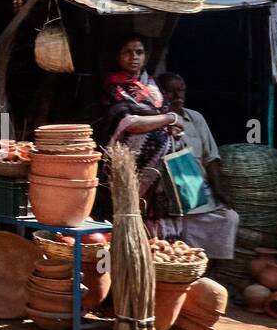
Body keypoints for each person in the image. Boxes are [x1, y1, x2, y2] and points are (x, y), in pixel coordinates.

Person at [95, 35, 184, 238]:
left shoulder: (152, 86)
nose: (133, 57)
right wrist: (169, 119)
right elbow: (128, 123)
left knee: (149, 224)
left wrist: (173, 127)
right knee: (124, 215)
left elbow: (174, 122)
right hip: (127, 165)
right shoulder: (112, 86)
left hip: (159, 170)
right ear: (117, 56)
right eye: (127, 52)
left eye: (139, 52)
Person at [156, 72, 240, 259]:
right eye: (171, 92)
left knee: (229, 218)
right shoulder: (155, 122)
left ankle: (212, 270)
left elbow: (211, 157)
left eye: (181, 91)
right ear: (160, 93)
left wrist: (219, 190)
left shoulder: (195, 118)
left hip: (199, 192)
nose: (178, 96)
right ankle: (189, 265)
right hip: (170, 197)